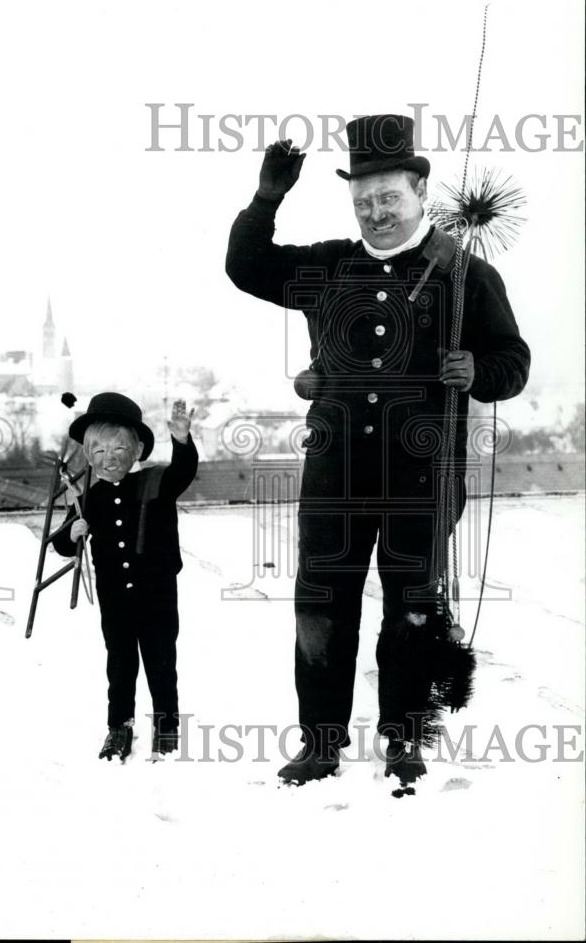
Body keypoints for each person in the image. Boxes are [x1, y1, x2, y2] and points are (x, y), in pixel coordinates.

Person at [225, 114, 530, 789]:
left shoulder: (464, 275)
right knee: (320, 605)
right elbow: (246, 267)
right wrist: (267, 197)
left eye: (388, 197)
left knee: (413, 608)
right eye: (363, 200)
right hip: (334, 476)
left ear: (420, 191)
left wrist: (476, 370)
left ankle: (404, 740)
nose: (376, 211)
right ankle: (321, 744)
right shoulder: (329, 266)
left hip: (422, 478)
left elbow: (514, 361)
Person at [52, 392, 198, 761]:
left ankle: (167, 728)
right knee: (119, 663)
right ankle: (119, 727)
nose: (109, 458)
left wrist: (181, 440)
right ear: (88, 456)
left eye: (119, 449)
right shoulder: (88, 499)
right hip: (114, 597)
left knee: (161, 660)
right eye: (99, 452)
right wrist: (72, 533)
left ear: (136, 452)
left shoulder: (156, 482)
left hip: (157, 593)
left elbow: (184, 471)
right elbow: (64, 546)